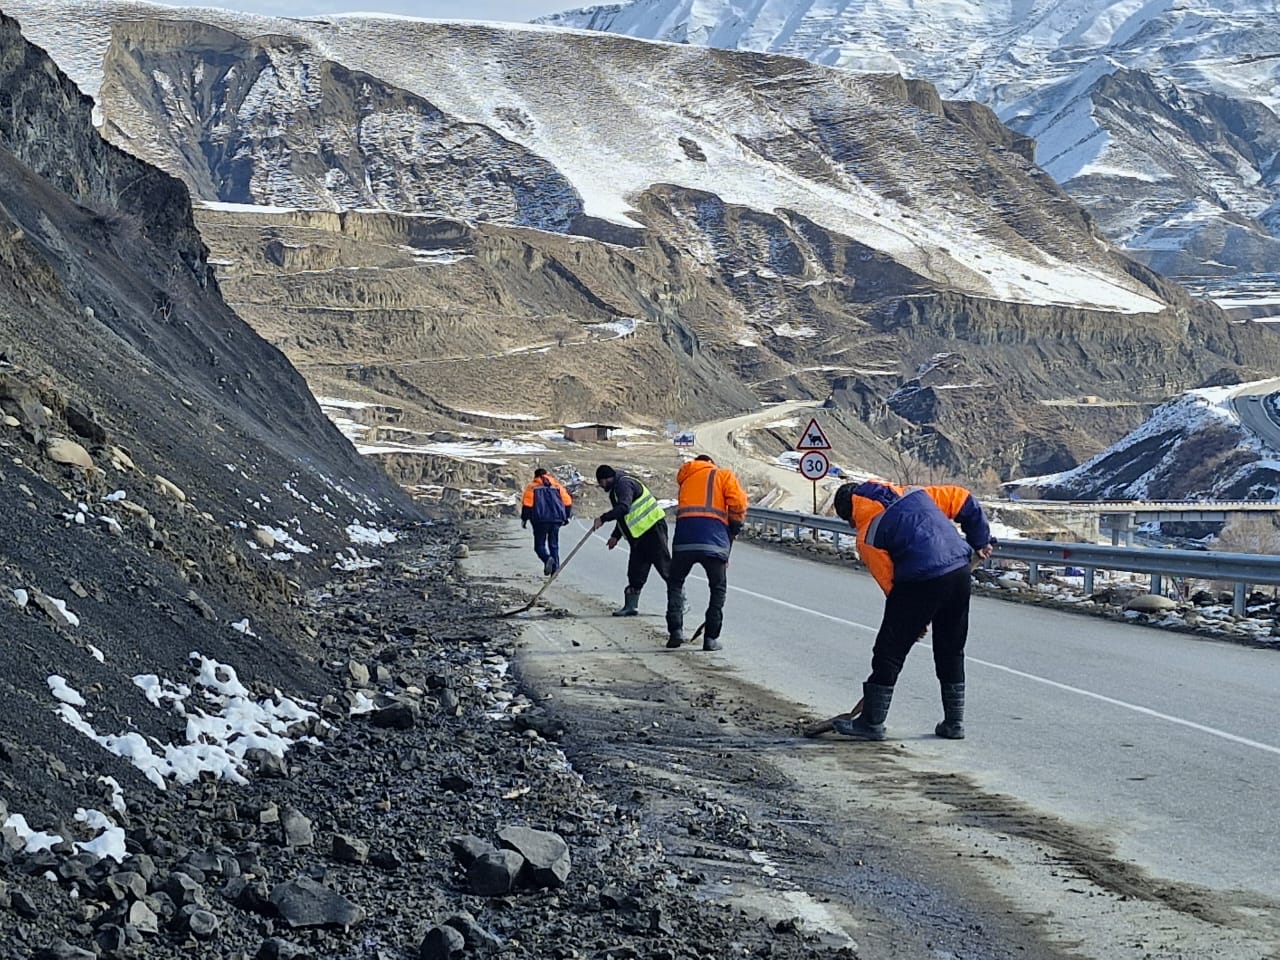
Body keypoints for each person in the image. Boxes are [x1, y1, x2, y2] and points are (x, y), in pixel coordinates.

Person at [831, 480, 996, 741]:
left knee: (889, 650)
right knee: (951, 647)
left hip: (920, 580)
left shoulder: (868, 535)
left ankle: (871, 722)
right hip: (959, 571)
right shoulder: (916, 493)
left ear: (850, 515)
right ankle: (954, 723)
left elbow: (891, 584)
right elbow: (965, 500)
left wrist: (912, 622)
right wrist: (980, 540)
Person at [666, 455, 748, 651]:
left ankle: (676, 631)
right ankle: (710, 638)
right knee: (717, 588)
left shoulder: (686, 478)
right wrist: (735, 526)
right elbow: (738, 503)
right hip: (714, 540)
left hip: (684, 538)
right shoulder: (722, 475)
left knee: (675, 583)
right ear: (711, 463)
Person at [591, 464, 670, 616]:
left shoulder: (624, 484)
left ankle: (679, 603)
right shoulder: (616, 488)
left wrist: (603, 518)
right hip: (638, 536)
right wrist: (615, 536)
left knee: (664, 566)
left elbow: (623, 508)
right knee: (636, 571)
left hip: (654, 530)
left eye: (600, 483)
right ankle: (631, 606)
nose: (601, 486)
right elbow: (624, 517)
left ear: (606, 479)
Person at [521, 468, 573, 575]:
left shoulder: (532, 487)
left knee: (539, 546)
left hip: (540, 520)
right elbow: (567, 502)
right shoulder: (557, 486)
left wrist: (524, 519)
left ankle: (547, 559)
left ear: (535, 476)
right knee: (553, 544)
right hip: (557, 519)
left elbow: (528, 504)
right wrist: (566, 516)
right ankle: (555, 568)